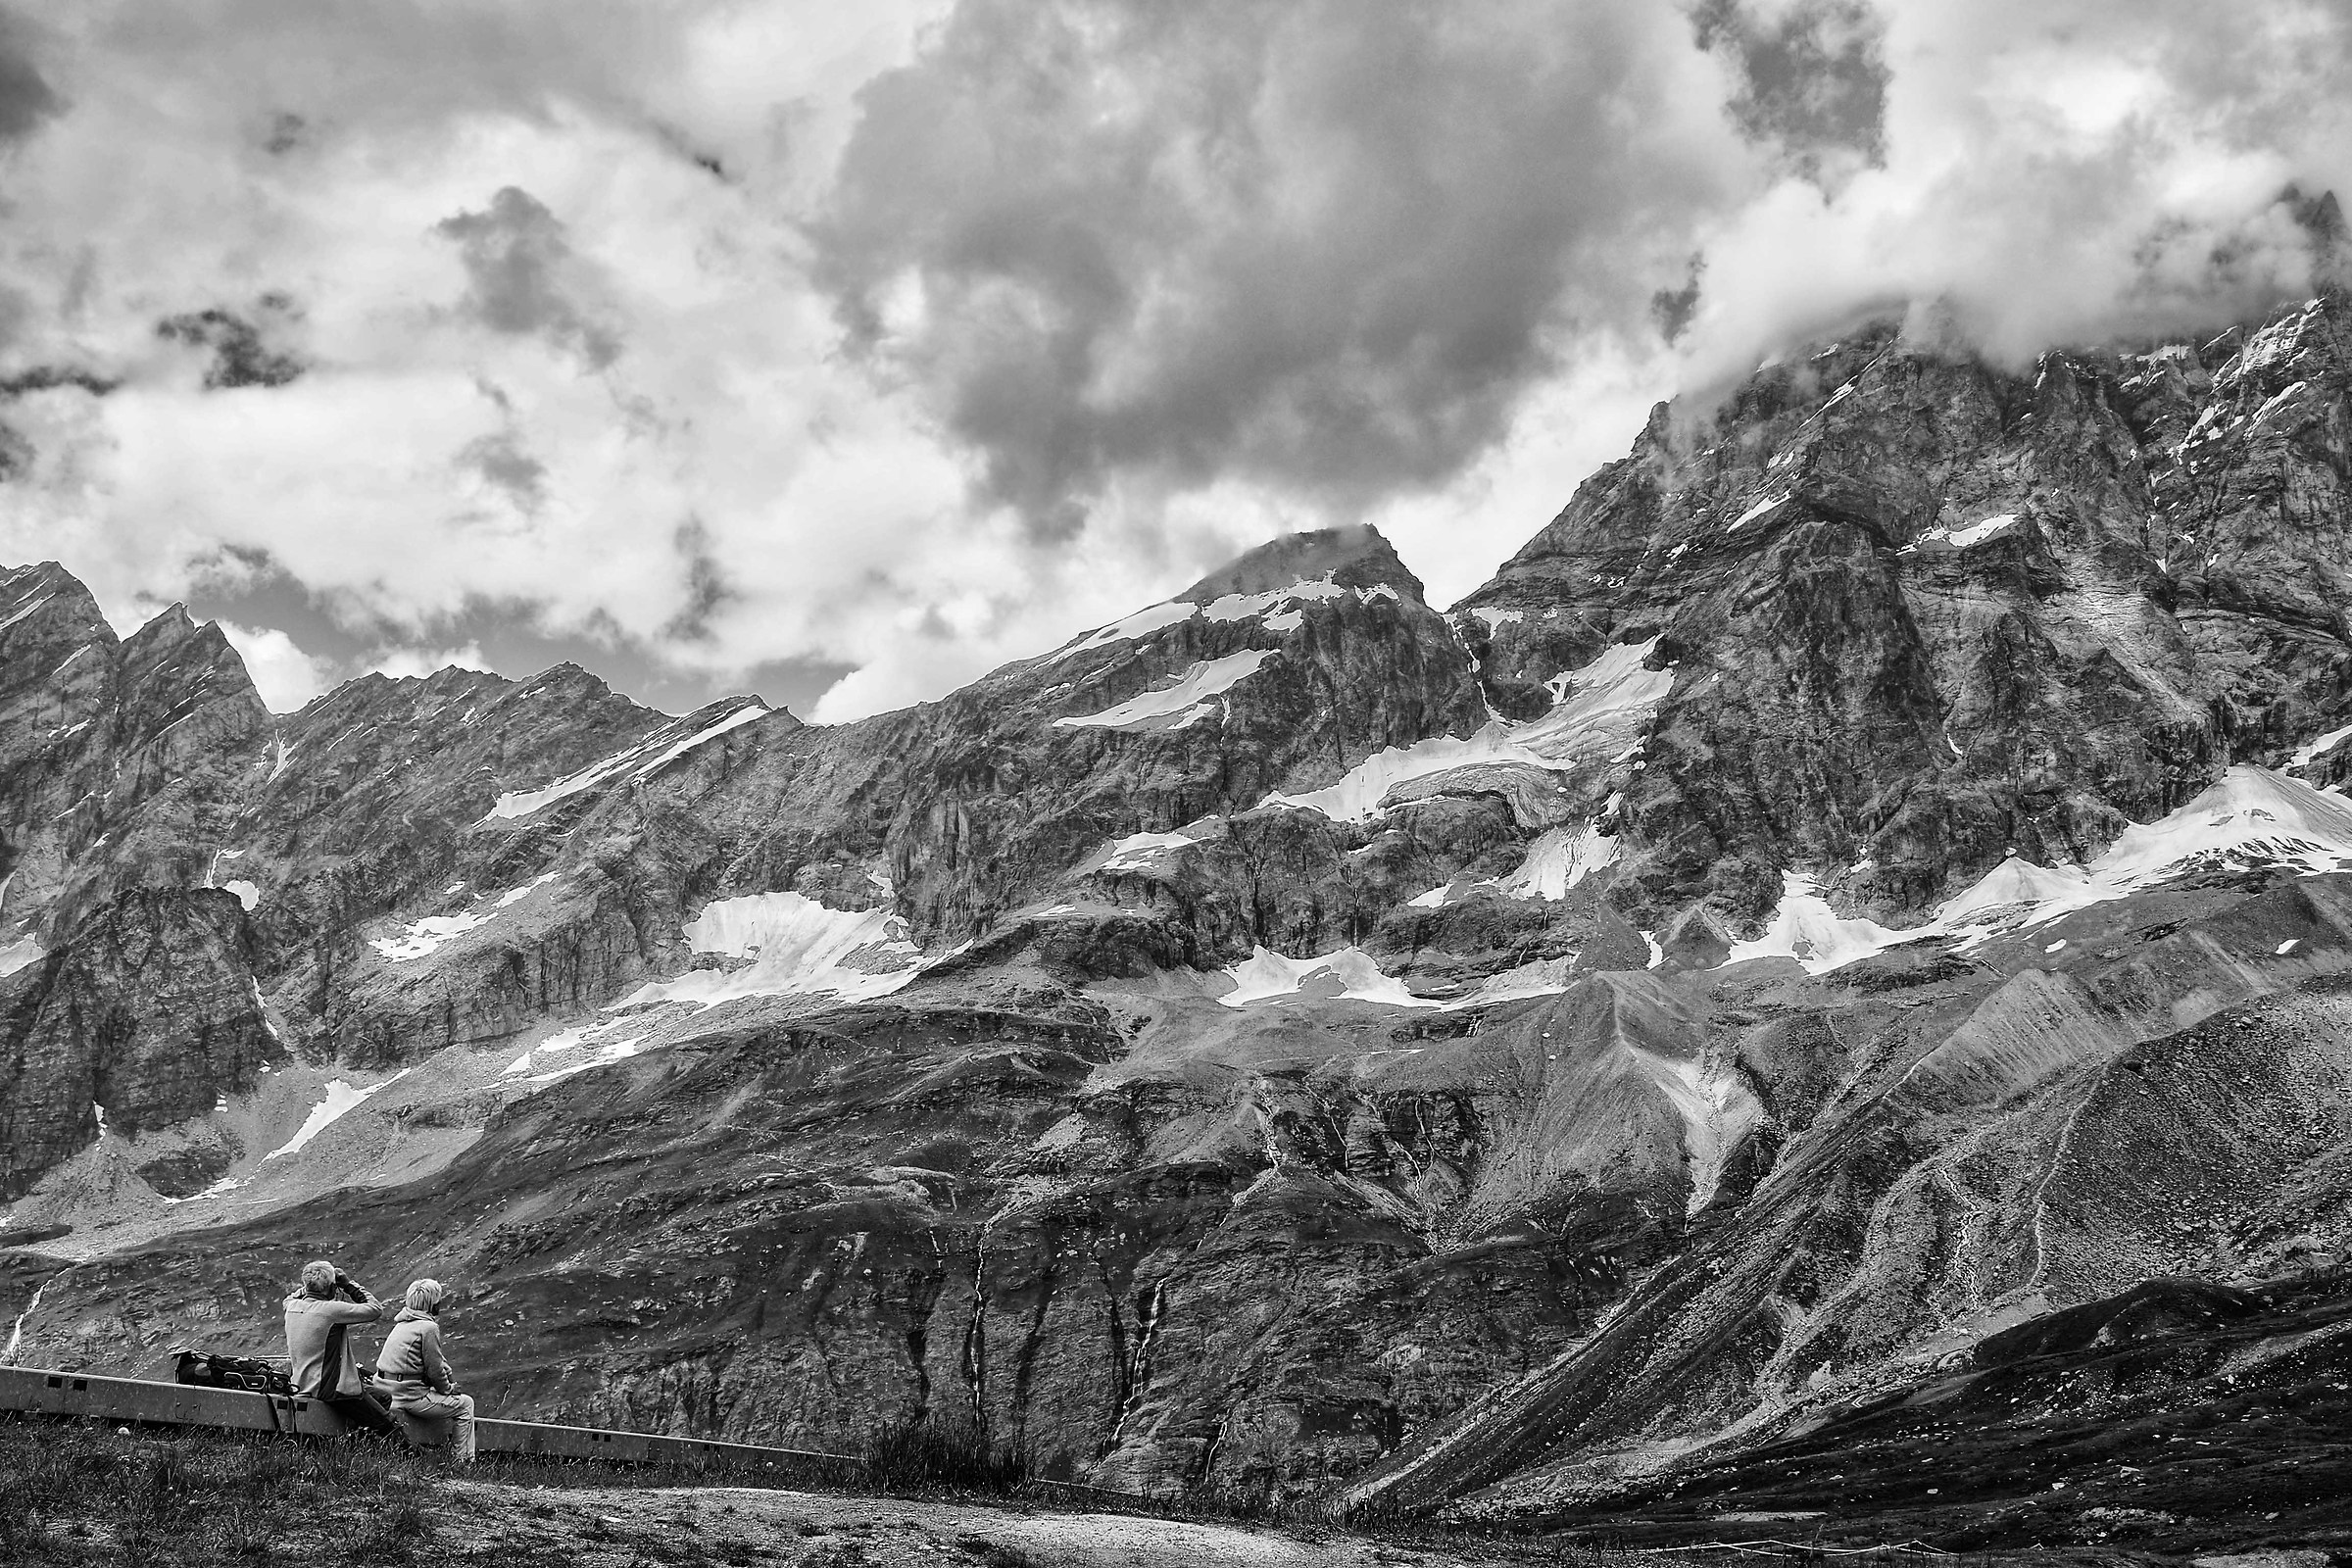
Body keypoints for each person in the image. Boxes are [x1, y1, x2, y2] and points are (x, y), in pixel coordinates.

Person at [282, 1259, 400, 1436]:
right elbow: (375, 1309)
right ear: (331, 1287)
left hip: (302, 1384)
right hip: (333, 1388)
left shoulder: (291, 1306)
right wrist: (347, 1284)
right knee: (386, 1423)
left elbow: (289, 1298)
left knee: (382, 1397)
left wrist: (309, 1286)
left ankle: (354, 1438)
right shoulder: (331, 1310)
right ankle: (415, 1455)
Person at [373, 1278, 476, 1464]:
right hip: (407, 1396)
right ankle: (464, 1462)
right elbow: (435, 1370)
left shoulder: (401, 1324)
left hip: (384, 1389)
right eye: (438, 1299)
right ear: (432, 1303)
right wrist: (448, 1389)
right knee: (465, 1405)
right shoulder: (428, 1327)